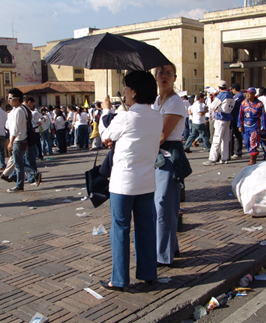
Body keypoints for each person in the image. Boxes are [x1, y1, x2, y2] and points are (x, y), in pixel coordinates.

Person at [98, 71, 163, 291]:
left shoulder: (125, 116)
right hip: (146, 181)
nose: (124, 92)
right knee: (145, 228)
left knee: (120, 229)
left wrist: (106, 110)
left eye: (126, 88)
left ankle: (118, 279)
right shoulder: (156, 116)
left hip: (123, 183)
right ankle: (148, 272)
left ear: (134, 92)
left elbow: (105, 135)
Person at [153, 64, 191, 266]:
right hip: (156, 157)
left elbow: (161, 135)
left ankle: (162, 256)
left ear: (175, 77)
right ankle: (170, 248)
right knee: (161, 205)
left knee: (163, 206)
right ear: (155, 76)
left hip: (169, 157)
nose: (164, 76)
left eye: (168, 73)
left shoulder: (175, 102)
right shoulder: (156, 101)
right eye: (160, 72)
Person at [5, 88, 41, 193]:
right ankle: (32, 175)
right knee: (19, 162)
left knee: (18, 163)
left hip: (18, 139)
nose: (8, 100)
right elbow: (8, 125)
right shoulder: (19, 110)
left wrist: (11, 142)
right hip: (21, 139)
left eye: (10, 98)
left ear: (16, 99)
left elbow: (15, 128)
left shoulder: (19, 111)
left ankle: (22, 183)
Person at [203, 80, 234, 166]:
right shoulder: (230, 95)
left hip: (221, 118)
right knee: (225, 139)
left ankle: (212, 159)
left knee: (216, 139)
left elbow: (212, 105)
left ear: (219, 87)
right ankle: (225, 158)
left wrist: (217, 109)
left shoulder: (222, 95)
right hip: (228, 119)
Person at [238, 87, 266, 165]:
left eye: (249, 93)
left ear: (254, 94)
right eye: (246, 93)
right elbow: (240, 115)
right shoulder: (243, 103)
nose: (247, 95)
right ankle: (252, 154)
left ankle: (253, 159)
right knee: (246, 142)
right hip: (245, 125)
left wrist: (265, 127)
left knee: (253, 142)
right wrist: (239, 125)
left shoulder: (259, 104)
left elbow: (263, 116)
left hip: (255, 125)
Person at [230, 83, 244, 159]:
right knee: (234, 135)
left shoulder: (239, 97)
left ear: (234, 89)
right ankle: (233, 151)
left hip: (237, 118)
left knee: (237, 136)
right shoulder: (237, 97)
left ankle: (238, 152)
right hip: (235, 118)